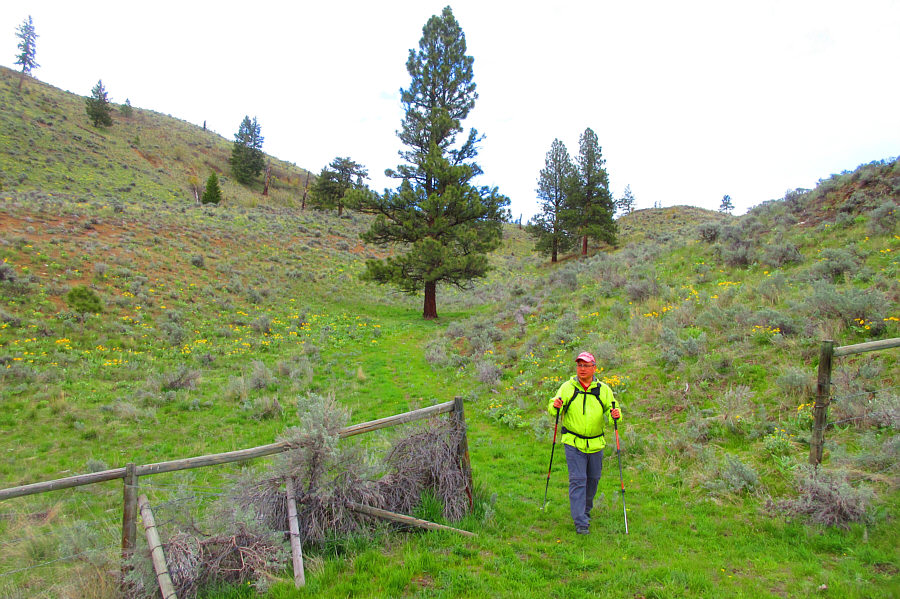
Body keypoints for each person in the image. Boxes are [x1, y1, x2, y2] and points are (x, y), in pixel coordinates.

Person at [547, 351, 621, 534]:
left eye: (586, 365)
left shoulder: (603, 389)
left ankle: (585, 511)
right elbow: (554, 406)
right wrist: (554, 406)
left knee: (593, 480)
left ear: (594, 368)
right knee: (578, 480)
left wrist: (615, 416)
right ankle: (580, 522)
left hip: (596, 443)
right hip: (573, 442)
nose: (582, 369)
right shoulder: (567, 387)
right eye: (579, 365)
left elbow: (613, 408)